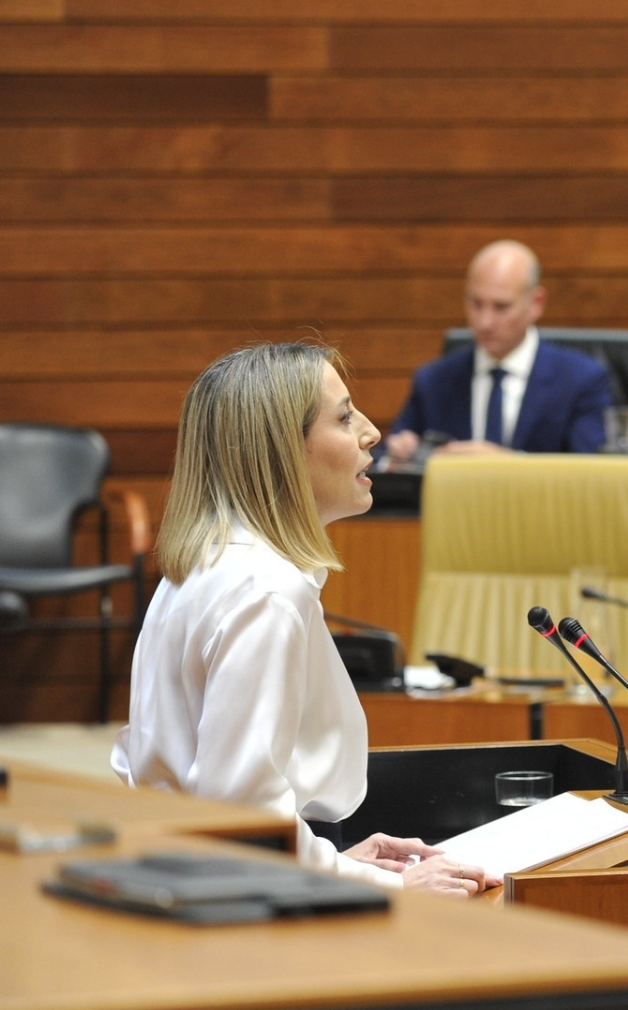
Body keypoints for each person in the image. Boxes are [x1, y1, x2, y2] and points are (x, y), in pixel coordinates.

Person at [113, 343, 499, 896]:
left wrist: (329, 857)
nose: (372, 433)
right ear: (284, 451)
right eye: (344, 417)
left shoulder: (202, 563)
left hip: (187, 871)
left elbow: (196, 789)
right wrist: (380, 886)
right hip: (243, 905)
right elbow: (241, 818)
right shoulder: (267, 590)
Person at [382, 240, 613, 461]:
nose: (485, 322)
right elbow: (383, 457)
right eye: (476, 304)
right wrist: (398, 455)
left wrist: (506, 465)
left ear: (536, 303)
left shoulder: (581, 379)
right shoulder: (434, 381)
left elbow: (589, 475)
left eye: (501, 307)